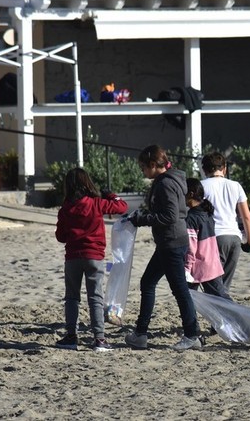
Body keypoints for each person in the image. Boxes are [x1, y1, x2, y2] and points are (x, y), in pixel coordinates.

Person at [124, 145, 202, 351]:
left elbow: (169, 216)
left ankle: (192, 335)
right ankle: (140, 334)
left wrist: (141, 219)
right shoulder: (173, 179)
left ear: (153, 165)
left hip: (172, 242)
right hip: (170, 241)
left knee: (179, 290)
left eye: (143, 167)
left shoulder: (166, 184)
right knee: (148, 282)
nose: (142, 171)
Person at [55, 167, 128, 352]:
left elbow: (60, 236)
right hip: (94, 256)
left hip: (72, 257)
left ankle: (71, 336)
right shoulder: (96, 203)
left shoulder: (66, 207)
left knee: (72, 297)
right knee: (95, 296)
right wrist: (111, 195)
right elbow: (122, 207)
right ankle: (99, 339)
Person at [200, 152, 250, 291]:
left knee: (213, 286)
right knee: (224, 286)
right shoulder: (235, 185)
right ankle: (224, 311)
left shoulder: (202, 186)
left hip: (214, 237)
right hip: (234, 237)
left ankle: (219, 312)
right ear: (224, 168)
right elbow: (246, 216)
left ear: (205, 170)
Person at [185, 178, 232, 301]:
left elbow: (191, 248)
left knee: (188, 299)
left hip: (200, 266)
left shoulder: (191, 218)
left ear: (190, 194)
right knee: (221, 298)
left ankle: (242, 318)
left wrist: (186, 269)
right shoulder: (207, 213)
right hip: (213, 264)